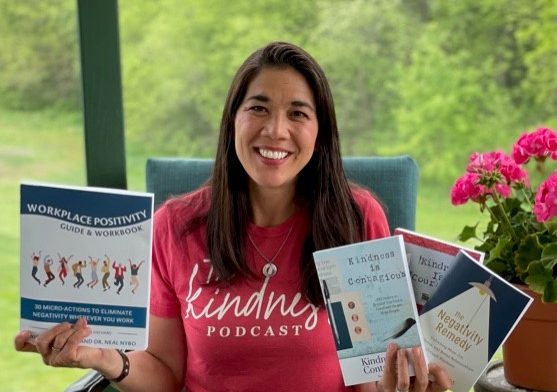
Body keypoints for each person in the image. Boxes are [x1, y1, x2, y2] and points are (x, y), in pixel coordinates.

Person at [14, 42, 453, 392]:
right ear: (233, 122)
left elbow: (369, 379)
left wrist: (403, 386)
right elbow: (167, 375)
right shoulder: (175, 227)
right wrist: (102, 357)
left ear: (320, 134)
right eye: (258, 108)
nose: (275, 130)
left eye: (297, 113)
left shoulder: (356, 219)